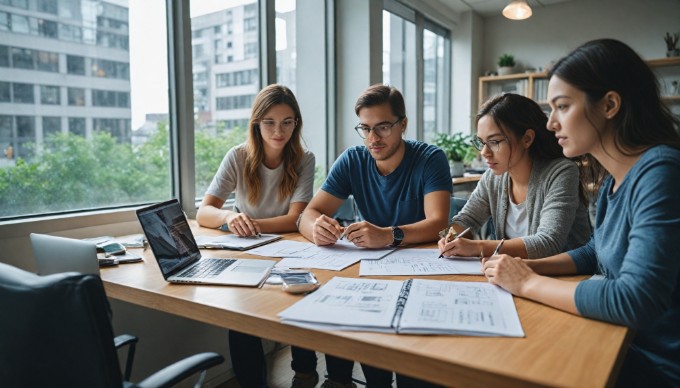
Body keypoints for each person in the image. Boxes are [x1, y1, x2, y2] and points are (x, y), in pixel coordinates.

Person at [481, 39, 680, 387]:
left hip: (657, 365)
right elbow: (594, 252)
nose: (550, 124)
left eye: (562, 106)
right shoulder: (611, 181)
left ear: (609, 105)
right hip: (623, 343)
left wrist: (527, 282)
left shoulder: (660, 172)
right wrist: (529, 267)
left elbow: (634, 300)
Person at [298, 84, 452, 387]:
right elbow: (308, 214)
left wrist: (388, 235)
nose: (373, 139)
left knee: (413, 370)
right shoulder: (353, 159)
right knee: (362, 344)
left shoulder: (430, 158)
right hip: (370, 273)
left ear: (403, 124)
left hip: (422, 275)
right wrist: (315, 229)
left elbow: (438, 223)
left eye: (382, 127)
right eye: (365, 128)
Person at [196, 84, 318, 388]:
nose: (279, 130)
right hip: (248, 250)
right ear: (256, 123)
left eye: (287, 122)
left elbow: (295, 219)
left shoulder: (304, 159)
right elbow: (204, 212)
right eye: (270, 122)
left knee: (302, 300)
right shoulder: (237, 157)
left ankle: (305, 373)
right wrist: (230, 217)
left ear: (296, 124)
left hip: (292, 250)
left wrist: (251, 224)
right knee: (241, 315)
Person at [438, 93, 591, 259]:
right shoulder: (493, 177)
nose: (484, 152)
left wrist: (478, 247)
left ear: (527, 139)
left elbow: (548, 243)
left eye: (494, 142)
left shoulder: (561, 172)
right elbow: (466, 219)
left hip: (564, 278)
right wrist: (448, 235)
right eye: (481, 142)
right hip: (511, 276)